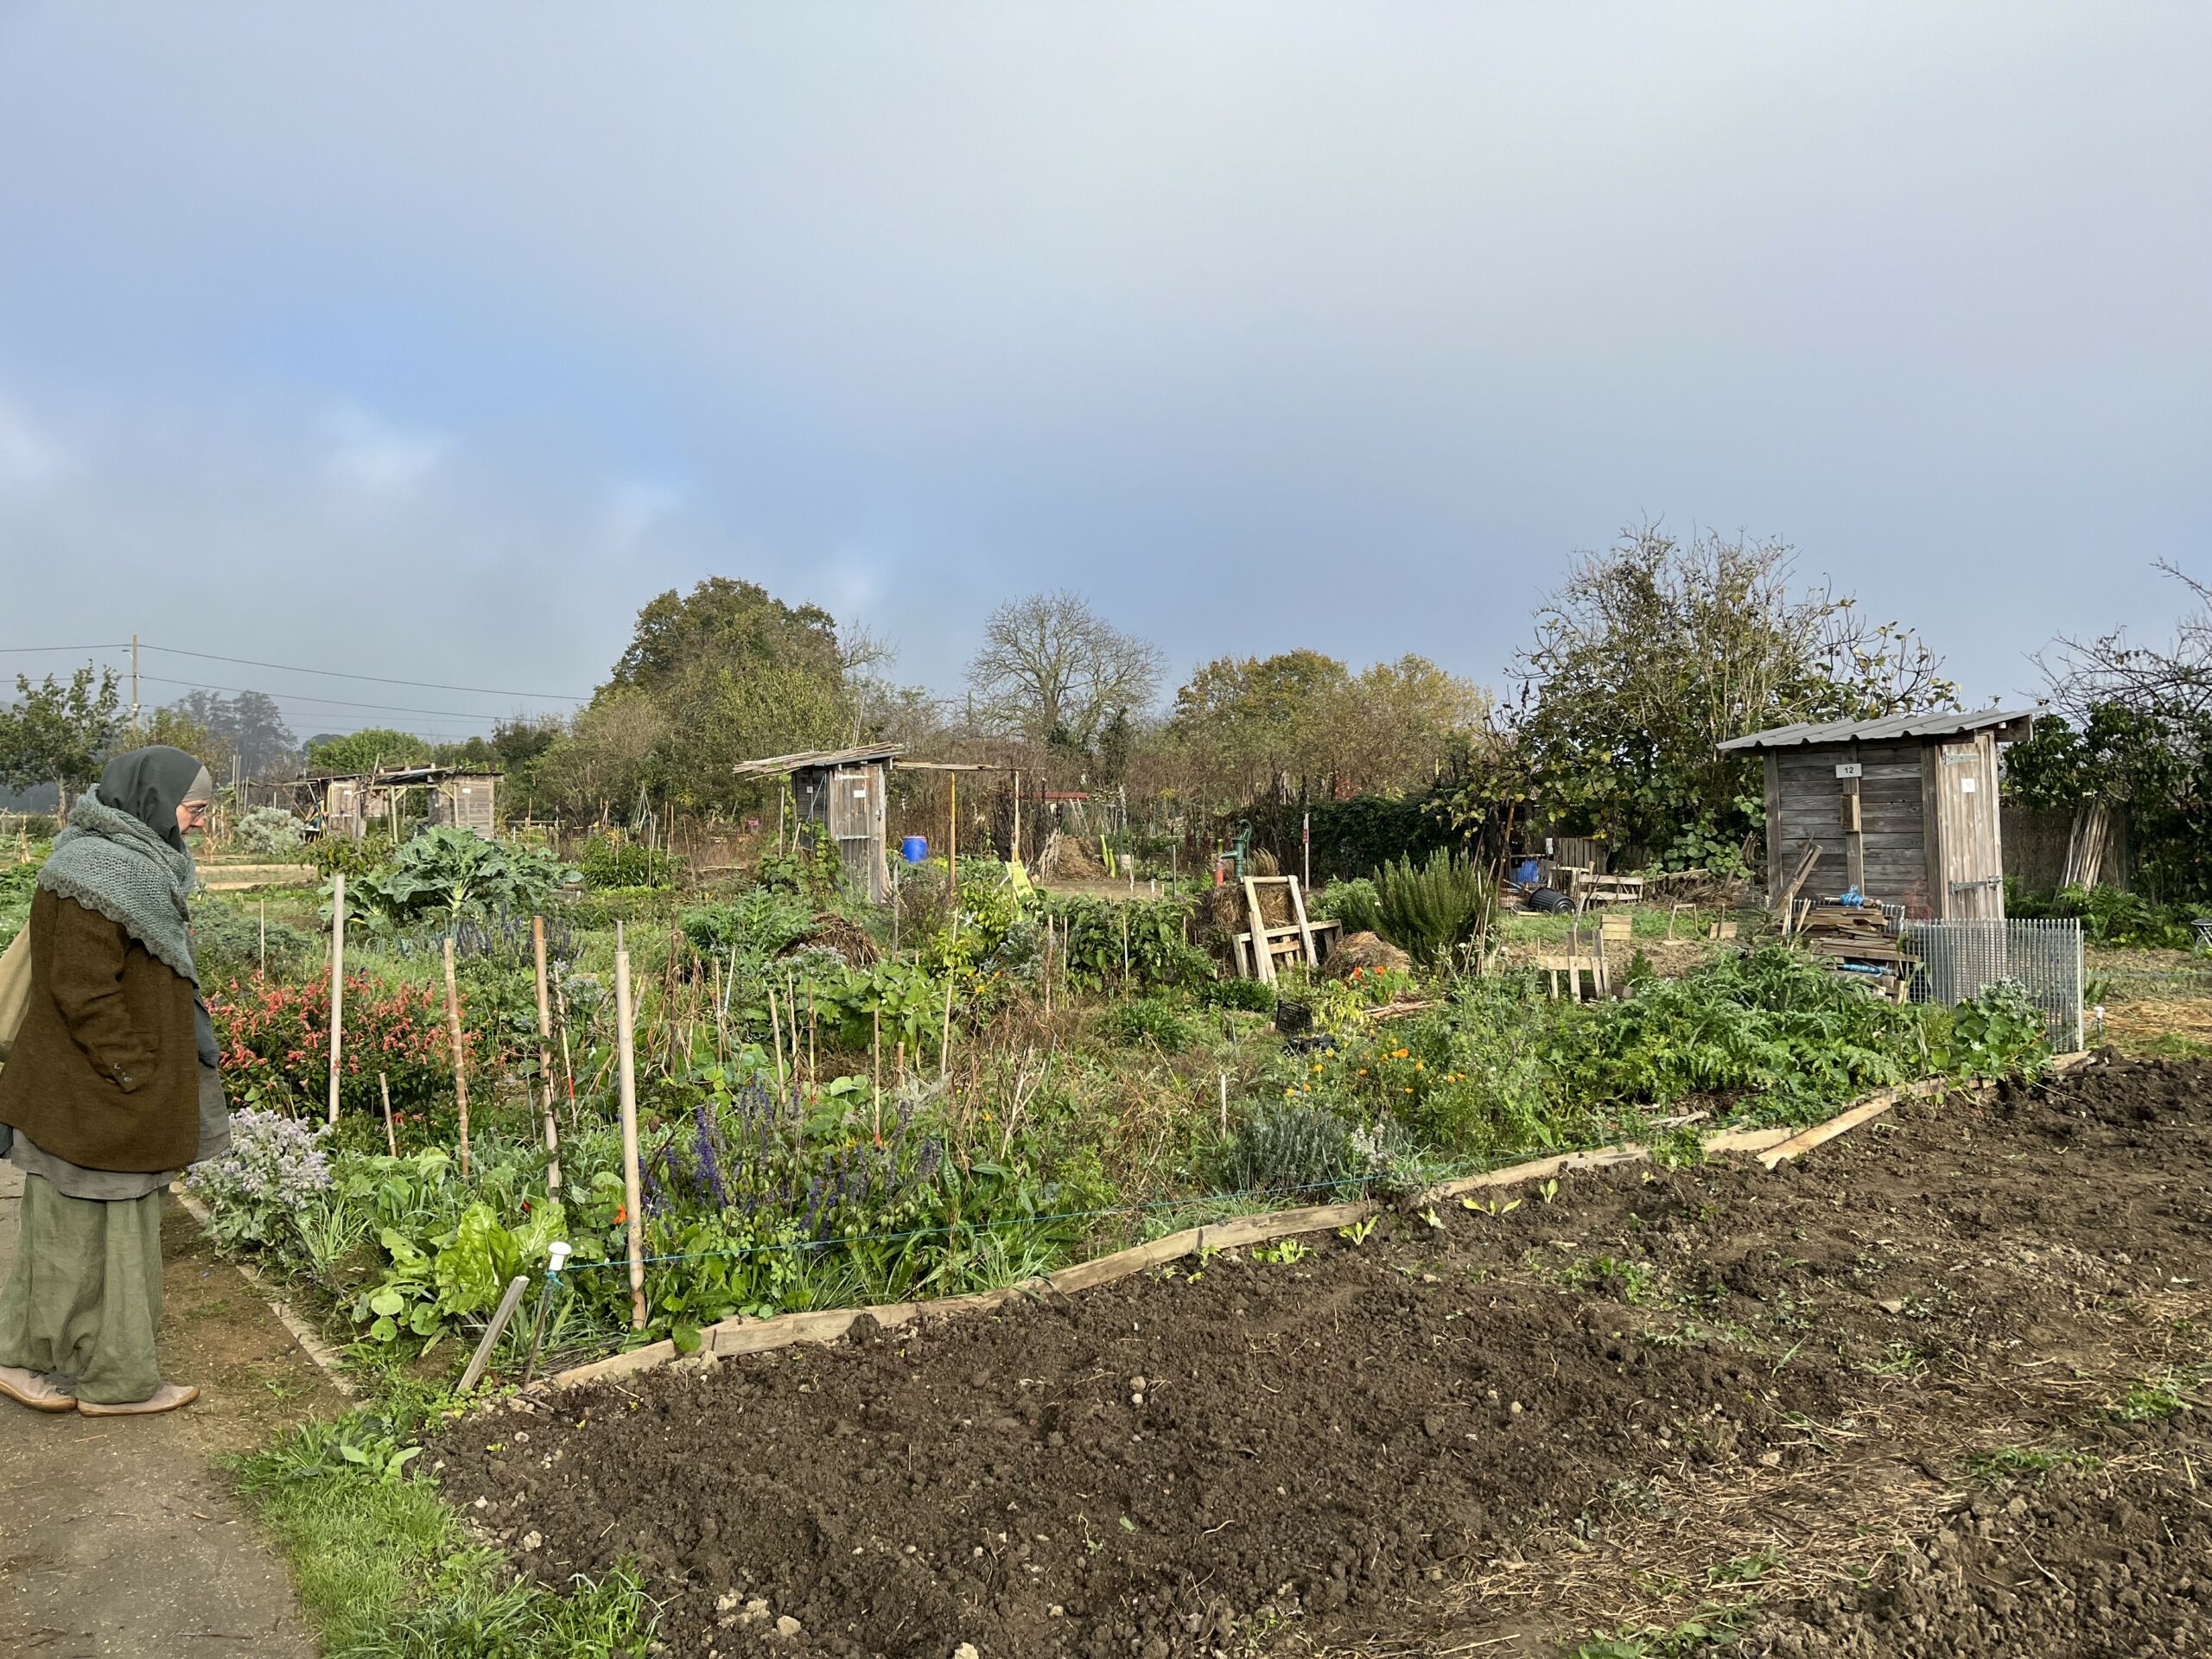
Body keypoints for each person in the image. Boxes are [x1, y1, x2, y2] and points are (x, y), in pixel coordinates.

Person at [0, 747, 231, 1415]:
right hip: (93, 1092)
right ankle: (87, 1376)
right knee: (78, 1234)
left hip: (104, 1089)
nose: (198, 825)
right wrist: (135, 1070)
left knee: (98, 1234)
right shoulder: (95, 874)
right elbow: (82, 990)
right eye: (193, 810)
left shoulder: (134, 863)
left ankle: (84, 1370)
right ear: (154, 801)